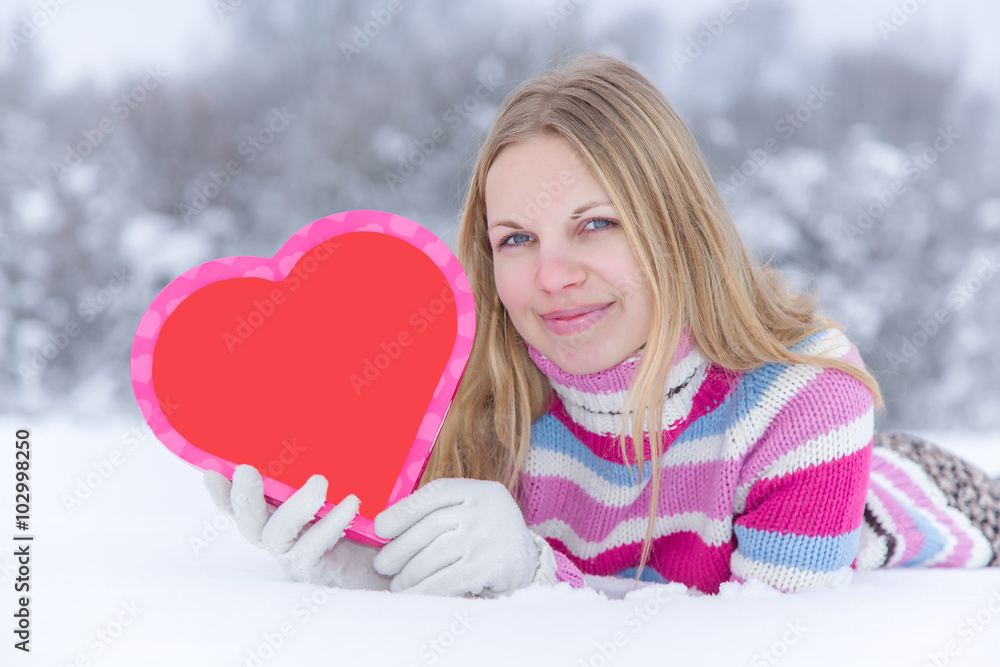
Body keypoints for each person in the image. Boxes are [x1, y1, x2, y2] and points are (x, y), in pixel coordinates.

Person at [204, 53, 1000, 598]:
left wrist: (533, 575)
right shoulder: (471, 393)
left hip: (913, 495)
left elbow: (768, 637)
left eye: (595, 224)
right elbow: (445, 580)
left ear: (675, 226)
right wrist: (367, 564)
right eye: (517, 239)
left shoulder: (804, 401)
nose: (552, 276)